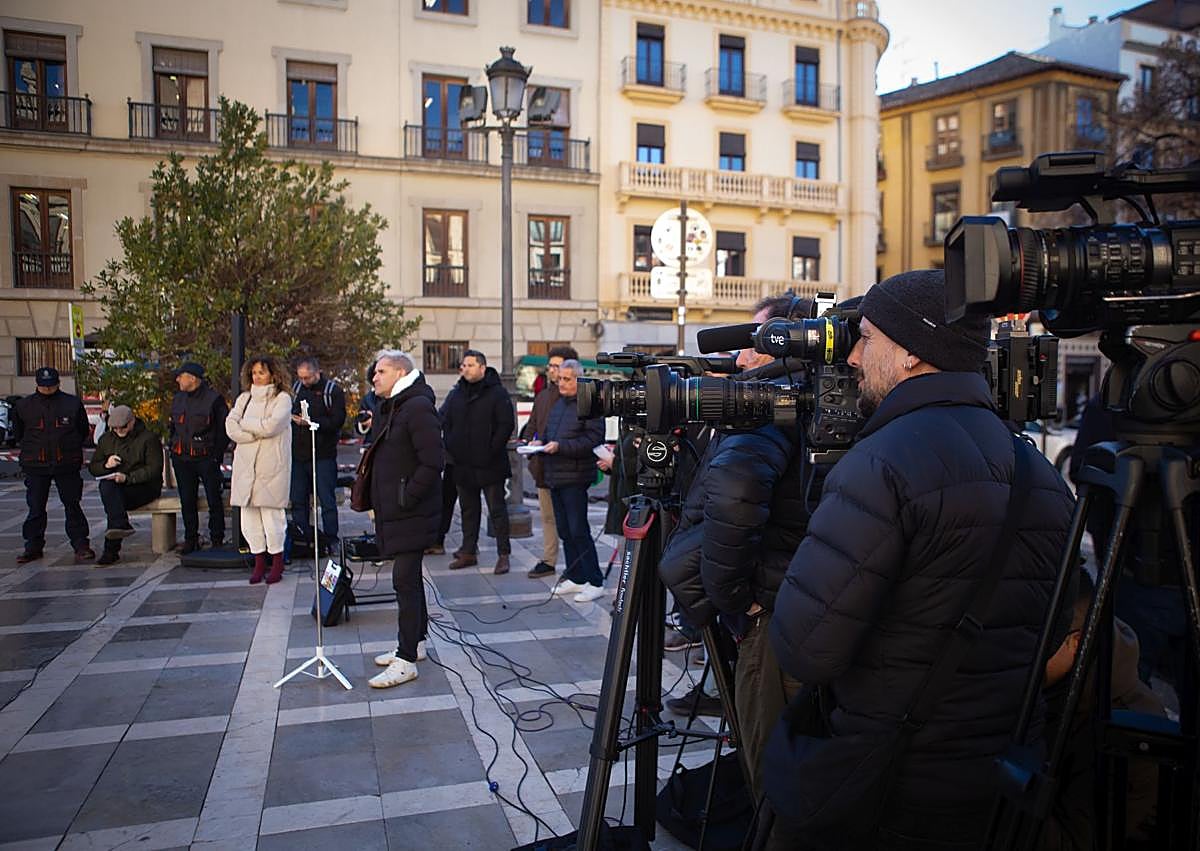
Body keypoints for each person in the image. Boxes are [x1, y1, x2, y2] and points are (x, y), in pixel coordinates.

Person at [767, 269, 1075, 850]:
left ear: (911, 352)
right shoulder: (1037, 471)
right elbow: (1054, 629)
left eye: (867, 339)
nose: (853, 357)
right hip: (1002, 777)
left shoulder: (881, 463)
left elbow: (805, 647)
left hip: (895, 782)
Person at [658, 295, 815, 796]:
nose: (740, 355)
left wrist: (730, 598)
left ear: (780, 344)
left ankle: (770, 825)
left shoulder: (771, 405)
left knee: (768, 754)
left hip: (768, 609)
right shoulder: (800, 396)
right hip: (788, 595)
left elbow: (735, 495)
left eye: (753, 340)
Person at [1041, 570, 1164, 850]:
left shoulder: (1126, 730)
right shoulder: (1054, 686)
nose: (1016, 651)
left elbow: (1077, 841)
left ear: (1076, 644)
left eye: (1033, 640)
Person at [366, 350, 444, 688]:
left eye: (381, 371)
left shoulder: (417, 407)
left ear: (400, 373)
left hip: (412, 511)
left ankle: (406, 659)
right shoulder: (395, 405)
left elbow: (433, 461)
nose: (374, 377)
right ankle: (417, 642)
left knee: (404, 582)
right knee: (408, 580)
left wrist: (406, 496)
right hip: (399, 511)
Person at [440, 350, 515, 574]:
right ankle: (468, 551)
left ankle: (503, 554)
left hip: (490, 463)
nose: (465, 369)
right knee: (468, 511)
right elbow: (443, 418)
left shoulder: (497, 393)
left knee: (497, 510)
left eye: (470, 365)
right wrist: (451, 445)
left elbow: (506, 425)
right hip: (462, 463)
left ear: (482, 368)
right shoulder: (456, 393)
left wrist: (491, 449)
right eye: (463, 365)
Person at [13, 366, 93, 564]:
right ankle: (33, 546)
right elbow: (19, 434)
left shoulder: (72, 403)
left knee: (72, 505)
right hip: (36, 465)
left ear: (58, 383)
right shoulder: (24, 406)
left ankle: (81, 544)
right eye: (43, 386)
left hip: (66, 463)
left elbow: (82, 430)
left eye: (50, 385)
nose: (47, 389)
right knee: (36, 508)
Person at [543, 359, 606, 603]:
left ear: (579, 380)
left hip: (576, 476)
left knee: (578, 529)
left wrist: (561, 447)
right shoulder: (559, 403)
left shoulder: (588, 404)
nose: (561, 383)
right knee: (565, 530)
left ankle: (595, 581)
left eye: (567, 379)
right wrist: (539, 442)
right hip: (555, 475)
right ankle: (576, 576)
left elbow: (593, 438)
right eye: (559, 378)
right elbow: (550, 432)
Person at [226, 356, 293, 584]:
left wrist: (246, 425)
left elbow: (272, 426)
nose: (256, 377)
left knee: (273, 519)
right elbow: (230, 426)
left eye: (261, 372)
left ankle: (277, 562)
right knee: (249, 520)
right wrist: (253, 433)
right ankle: (258, 563)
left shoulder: (282, 399)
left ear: (273, 374)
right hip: (245, 466)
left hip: (271, 467)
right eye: (254, 372)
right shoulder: (244, 399)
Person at [519, 345, 578, 578]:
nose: (552, 370)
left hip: (567, 469)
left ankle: (576, 568)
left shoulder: (573, 399)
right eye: (550, 366)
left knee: (572, 523)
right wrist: (529, 443)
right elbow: (533, 424)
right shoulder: (543, 395)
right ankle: (549, 559)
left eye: (557, 366)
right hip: (543, 466)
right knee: (547, 517)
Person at [88, 404, 163, 565]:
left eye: (122, 427)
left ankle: (111, 549)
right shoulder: (106, 439)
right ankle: (119, 527)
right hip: (117, 486)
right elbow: (93, 467)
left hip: (143, 487)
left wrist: (128, 478)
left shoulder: (148, 439)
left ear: (132, 422)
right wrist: (106, 465)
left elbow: (154, 469)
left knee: (114, 503)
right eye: (114, 428)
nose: (118, 431)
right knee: (108, 490)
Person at [169, 361, 229, 554]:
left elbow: (223, 431)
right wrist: (173, 450)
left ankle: (217, 538)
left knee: (214, 500)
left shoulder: (214, 399)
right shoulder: (178, 398)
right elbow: (173, 427)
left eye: (181, 376)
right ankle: (191, 538)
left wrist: (216, 456)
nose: (178, 380)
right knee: (187, 501)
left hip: (206, 458)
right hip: (182, 458)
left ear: (192, 378)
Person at [289, 356, 346, 553]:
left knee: (327, 499)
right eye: (301, 378)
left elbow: (337, 421)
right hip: (298, 454)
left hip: (323, 454)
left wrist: (312, 422)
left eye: (308, 378)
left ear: (317, 372)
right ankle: (302, 537)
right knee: (298, 499)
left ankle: (331, 538)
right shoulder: (296, 389)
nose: (304, 381)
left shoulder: (332, 391)